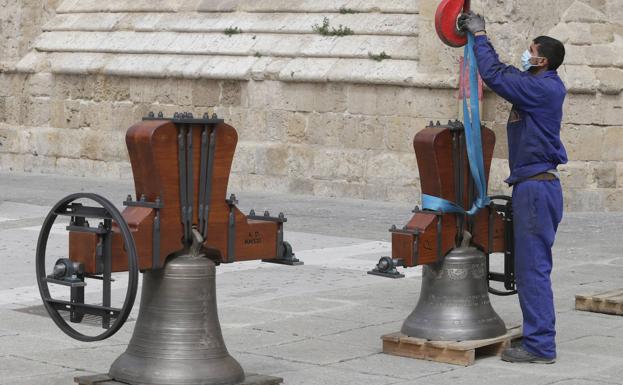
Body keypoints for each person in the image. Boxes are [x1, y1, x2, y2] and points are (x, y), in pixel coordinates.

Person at [458, 11, 567, 364]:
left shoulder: (542, 88)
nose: (526, 53)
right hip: (532, 186)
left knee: (532, 268)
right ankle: (538, 334)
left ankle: (540, 346)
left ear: (542, 59)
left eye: (530, 50)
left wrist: (481, 34)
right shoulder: (536, 86)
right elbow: (505, 76)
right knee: (530, 267)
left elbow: (495, 74)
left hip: (536, 190)